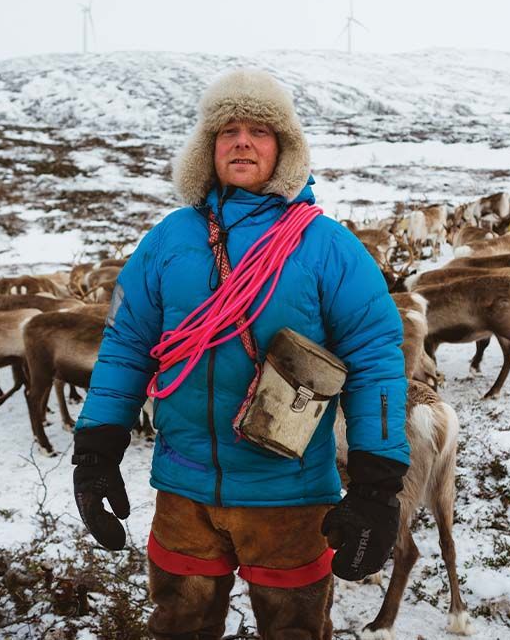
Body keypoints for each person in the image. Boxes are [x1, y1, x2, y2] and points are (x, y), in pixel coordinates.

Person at [71, 68, 410, 639]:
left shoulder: (327, 246)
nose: (242, 141)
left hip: (290, 493)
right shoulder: (168, 240)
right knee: (179, 623)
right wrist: (97, 449)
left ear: (285, 148)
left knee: (294, 629)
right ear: (208, 148)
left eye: (260, 129)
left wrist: (377, 486)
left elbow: (375, 358)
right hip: (184, 491)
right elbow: (127, 346)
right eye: (227, 130)